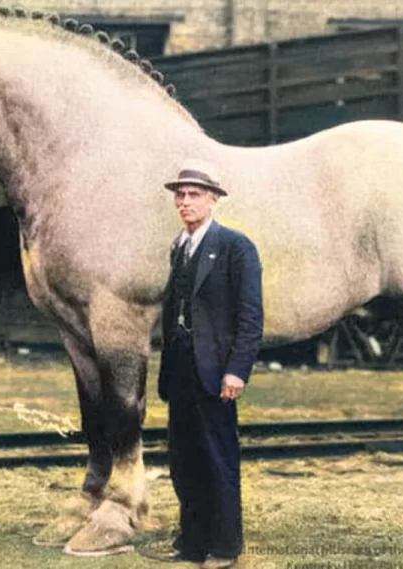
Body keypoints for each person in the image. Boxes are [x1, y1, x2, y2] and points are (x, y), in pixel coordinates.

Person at [155, 159, 263, 569]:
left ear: (214, 199)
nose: (184, 202)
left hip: (216, 370)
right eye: (179, 196)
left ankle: (224, 548)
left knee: (218, 457)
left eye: (194, 195)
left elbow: (251, 317)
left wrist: (237, 370)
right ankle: (192, 543)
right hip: (180, 366)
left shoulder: (236, 247)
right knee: (184, 458)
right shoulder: (179, 246)